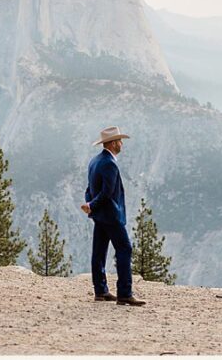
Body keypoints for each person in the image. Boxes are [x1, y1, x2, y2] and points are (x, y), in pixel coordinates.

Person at [83, 126, 145, 307]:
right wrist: (92, 205)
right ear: (112, 143)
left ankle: (100, 290)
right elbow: (107, 192)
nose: (121, 143)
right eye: (119, 140)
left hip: (99, 216)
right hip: (111, 216)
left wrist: (90, 206)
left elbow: (90, 189)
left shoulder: (95, 161)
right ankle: (124, 293)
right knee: (125, 249)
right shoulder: (109, 164)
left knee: (99, 252)